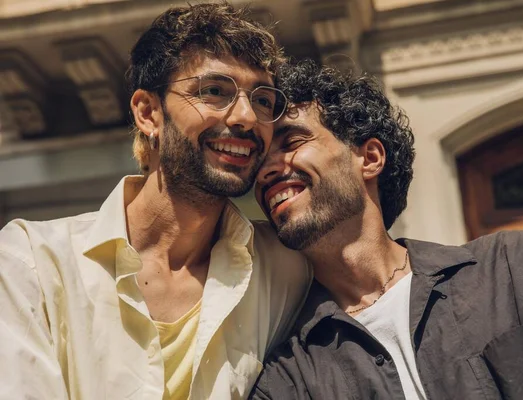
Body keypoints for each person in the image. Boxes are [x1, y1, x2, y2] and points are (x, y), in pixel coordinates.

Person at [0, 4, 311, 400]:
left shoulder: (284, 267)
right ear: (149, 113)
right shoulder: (32, 263)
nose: (247, 117)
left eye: (264, 100)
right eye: (214, 91)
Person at [250, 59, 523, 399]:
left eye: (292, 142)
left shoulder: (522, 267)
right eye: (259, 159)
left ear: (370, 158)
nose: (266, 170)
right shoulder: (285, 375)